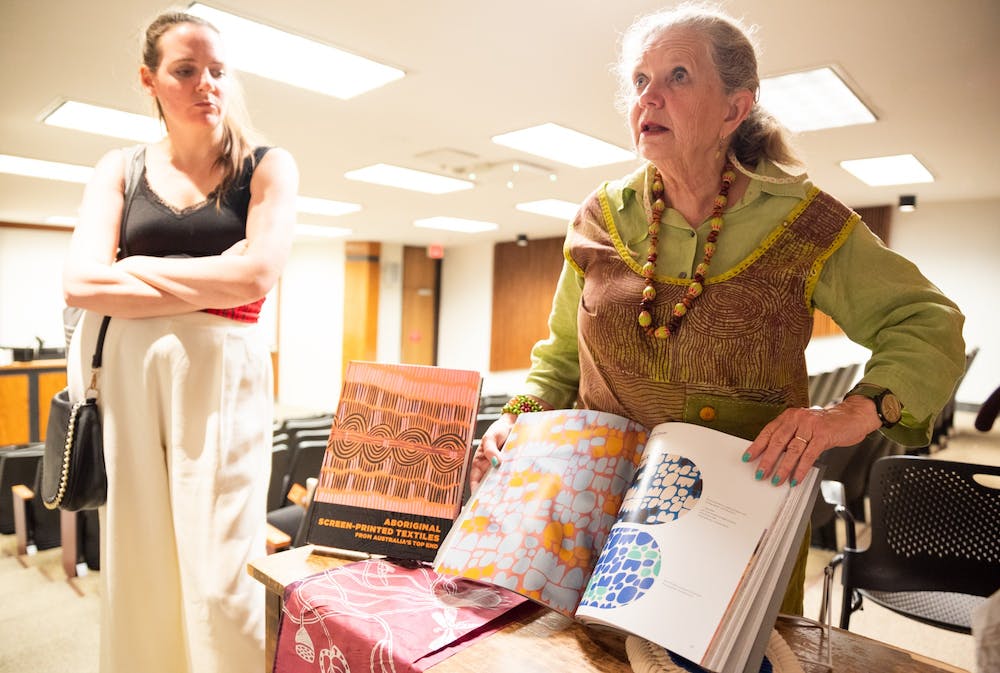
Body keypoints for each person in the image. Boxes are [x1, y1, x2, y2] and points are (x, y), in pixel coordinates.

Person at [472, 2, 965, 616]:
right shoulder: (599, 217)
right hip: (594, 510)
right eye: (640, 81)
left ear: (735, 108)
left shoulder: (803, 222)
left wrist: (852, 414)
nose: (649, 98)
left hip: (735, 522)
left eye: (677, 75)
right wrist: (517, 416)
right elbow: (559, 361)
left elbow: (929, 321)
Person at [62, 10, 298, 673]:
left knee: (221, 567)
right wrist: (212, 284)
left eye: (218, 71)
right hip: (130, 381)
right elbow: (81, 281)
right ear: (150, 80)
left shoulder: (268, 166)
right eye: (186, 70)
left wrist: (133, 270)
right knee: (139, 556)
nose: (206, 85)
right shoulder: (121, 166)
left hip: (220, 382)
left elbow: (256, 274)